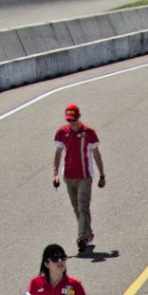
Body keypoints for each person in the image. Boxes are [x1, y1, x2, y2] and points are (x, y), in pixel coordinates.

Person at [52, 104, 106, 254]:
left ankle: (81, 236)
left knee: (83, 206)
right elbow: (58, 153)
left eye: (74, 120)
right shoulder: (62, 133)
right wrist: (55, 173)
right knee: (77, 208)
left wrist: (102, 175)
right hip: (68, 176)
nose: (72, 123)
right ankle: (88, 233)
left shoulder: (89, 133)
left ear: (79, 117)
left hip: (85, 176)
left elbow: (96, 154)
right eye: (69, 120)